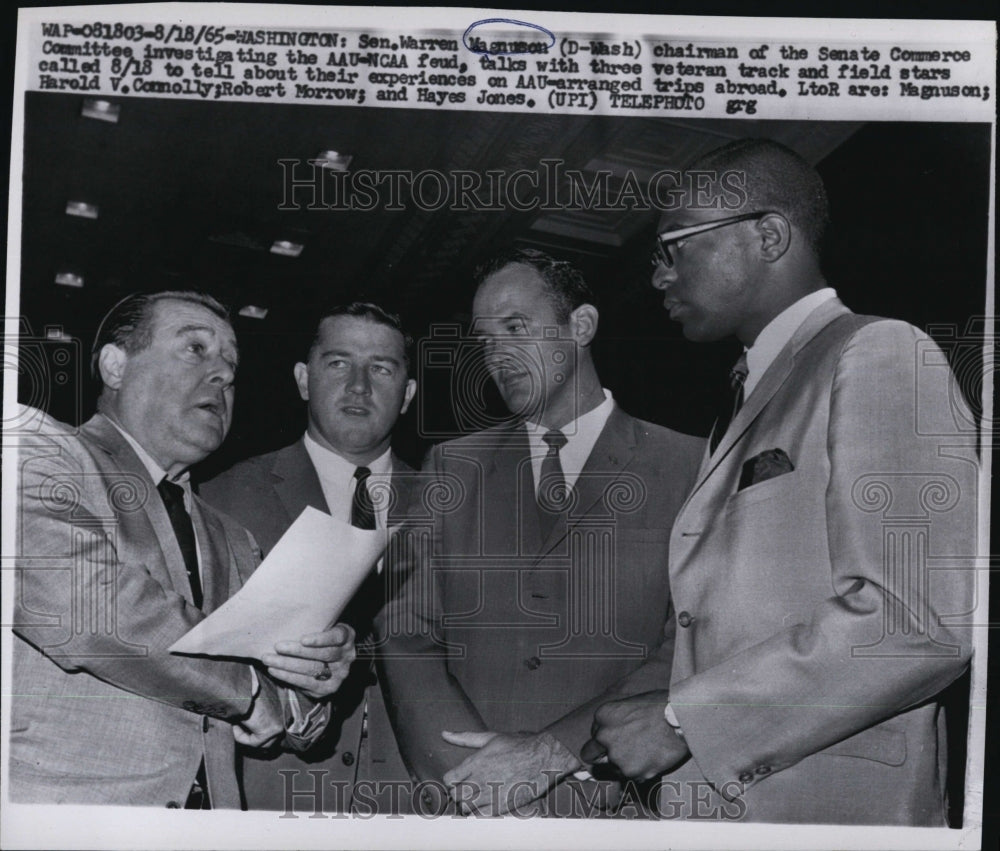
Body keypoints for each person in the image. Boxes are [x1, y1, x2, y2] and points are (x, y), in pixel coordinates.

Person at [583, 139, 978, 825]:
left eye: (674, 247)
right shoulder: (742, 398)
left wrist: (680, 722)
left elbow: (917, 620)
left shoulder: (882, 352)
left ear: (769, 234)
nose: (657, 277)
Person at [380, 248, 705, 816]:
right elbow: (406, 631)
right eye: (484, 340)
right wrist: (473, 781)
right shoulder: (452, 466)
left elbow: (694, 640)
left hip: (611, 801)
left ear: (580, 326)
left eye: (515, 328)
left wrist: (551, 761)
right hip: (468, 804)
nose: (497, 355)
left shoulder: (691, 466)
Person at [10, 291, 356, 808]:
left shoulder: (234, 538)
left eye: (231, 367)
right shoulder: (37, 449)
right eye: (196, 349)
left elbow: (290, 714)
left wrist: (312, 680)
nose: (222, 376)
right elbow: (86, 603)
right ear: (114, 365)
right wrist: (251, 692)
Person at [201, 303, 419, 813]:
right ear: (303, 379)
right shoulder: (221, 496)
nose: (359, 385)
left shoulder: (456, 505)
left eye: (382, 368)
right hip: (274, 796)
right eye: (338, 363)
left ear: (407, 395)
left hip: (414, 802)